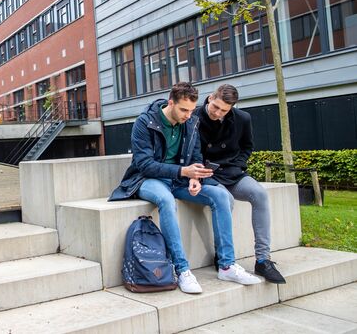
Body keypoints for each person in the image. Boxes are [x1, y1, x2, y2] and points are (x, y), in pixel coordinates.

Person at [109, 82, 261, 294]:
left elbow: (196, 155)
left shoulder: (191, 122)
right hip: (148, 179)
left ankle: (226, 265)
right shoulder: (145, 122)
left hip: (180, 180)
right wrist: (183, 172)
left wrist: (195, 178)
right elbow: (144, 164)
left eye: (191, 110)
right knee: (166, 200)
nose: (188, 115)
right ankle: (182, 270)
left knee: (220, 195)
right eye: (183, 110)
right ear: (171, 103)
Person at [195, 84, 286, 284]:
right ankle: (222, 257)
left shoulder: (243, 119)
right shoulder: (193, 119)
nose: (217, 113)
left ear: (232, 108)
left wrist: (237, 164)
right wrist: (200, 170)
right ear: (210, 98)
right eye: (215, 107)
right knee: (225, 199)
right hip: (206, 174)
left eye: (224, 110)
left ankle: (263, 260)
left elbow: (247, 146)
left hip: (233, 172)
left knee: (260, 195)